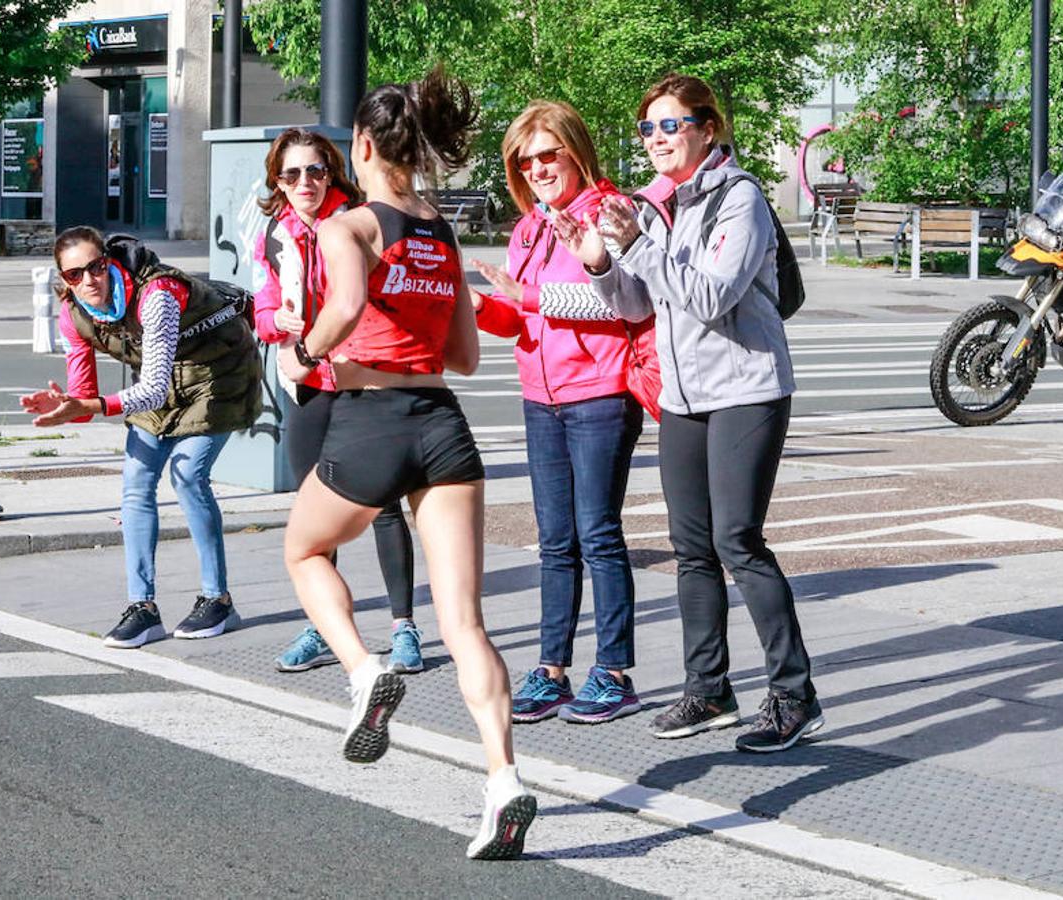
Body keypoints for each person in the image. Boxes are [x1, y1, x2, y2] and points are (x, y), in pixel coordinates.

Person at [277, 67, 536, 860]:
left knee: (305, 549)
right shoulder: (438, 230)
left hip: (370, 421)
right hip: (442, 425)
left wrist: (304, 349)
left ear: (359, 146)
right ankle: (504, 781)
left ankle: (361, 671)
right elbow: (464, 356)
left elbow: (347, 308)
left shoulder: (349, 224)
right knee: (463, 622)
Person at [553, 73, 823, 753]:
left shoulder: (740, 200)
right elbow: (639, 306)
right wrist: (596, 263)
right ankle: (707, 690)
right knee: (691, 549)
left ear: (707, 129)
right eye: (647, 129)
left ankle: (793, 695)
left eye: (670, 126)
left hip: (745, 389)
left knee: (738, 540)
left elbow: (709, 298)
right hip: (682, 395)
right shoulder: (654, 207)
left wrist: (640, 244)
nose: (656, 141)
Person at [471, 100, 644, 726]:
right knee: (555, 541)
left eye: (549, 154)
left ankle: (614, 672)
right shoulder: (529, 228)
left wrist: (530, 295)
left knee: (598, 534)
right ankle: (551, 670)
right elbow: (520, 316)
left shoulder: (610, 212)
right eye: (527, 159)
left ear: (575, 148)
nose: (539, 168)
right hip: (541, 396)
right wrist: (480, 308)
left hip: (599, 392)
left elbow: (618, 305)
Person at [20, 227, 262, 649]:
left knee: (188, 475)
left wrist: (90, 406)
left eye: (96, 267)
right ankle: (143, 609)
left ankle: (217, 599)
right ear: (64, 279)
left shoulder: (158, 295)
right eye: (75, 275)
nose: (89, 280)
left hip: (217, 373)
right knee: (135, 485)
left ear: (109, 261)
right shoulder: (74, 314)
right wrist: (62, 406)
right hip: (158, 384)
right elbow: (85, 399)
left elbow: (147, 390)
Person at [253, 127, 424, 676]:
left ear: (332, 172)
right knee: (314, 515)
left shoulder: (359, 222)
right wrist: (273, 320)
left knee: (382, 505)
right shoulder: (275, 235)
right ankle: (324, 627)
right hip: (304, 382)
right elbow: (264, 304)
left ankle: (404, 628)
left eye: (316, 171)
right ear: (277, 181)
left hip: (361, 380)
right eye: (292, 174)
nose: (305, 183)